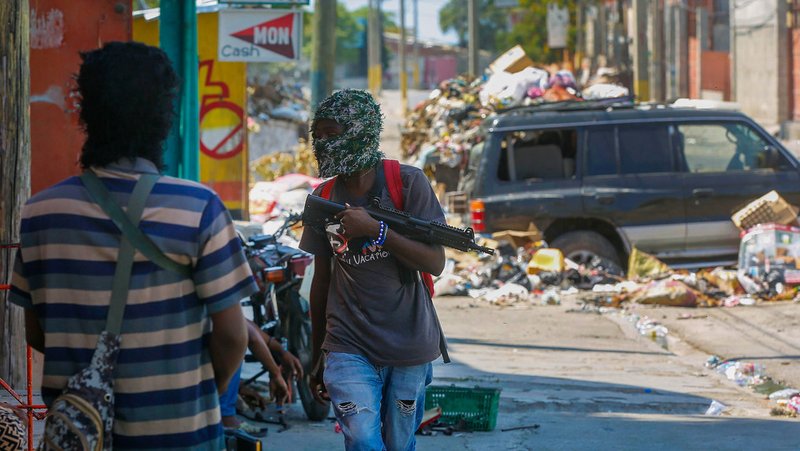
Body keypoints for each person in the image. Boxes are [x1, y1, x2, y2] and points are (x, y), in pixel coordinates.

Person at [9, 42, 256, 450]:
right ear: (163, 116)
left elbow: (38, 332)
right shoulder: (199, 208)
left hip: (80, 436)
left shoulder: (41, 213)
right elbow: (233, 337)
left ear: (86, 111)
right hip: (181, 433)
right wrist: (194, 394)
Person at [300, 89, 447, 451]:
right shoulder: (323, 199)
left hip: (409, 344)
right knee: (364, 440)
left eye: (333, 134)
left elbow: (435, 262)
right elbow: (321, 281)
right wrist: (318, 352)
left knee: (399, 444)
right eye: (317, 136)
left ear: (362, 132)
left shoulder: (408, 183)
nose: (323, 144)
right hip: (348, 345)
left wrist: (377, 231)